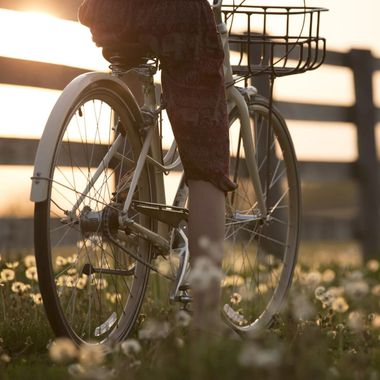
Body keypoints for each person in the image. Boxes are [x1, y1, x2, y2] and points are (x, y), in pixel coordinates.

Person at [78, 0, 237, 334]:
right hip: (175, 13)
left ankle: (131, 203)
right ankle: (205, 321)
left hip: (109, 11)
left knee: (132, 112)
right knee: (206, 158)